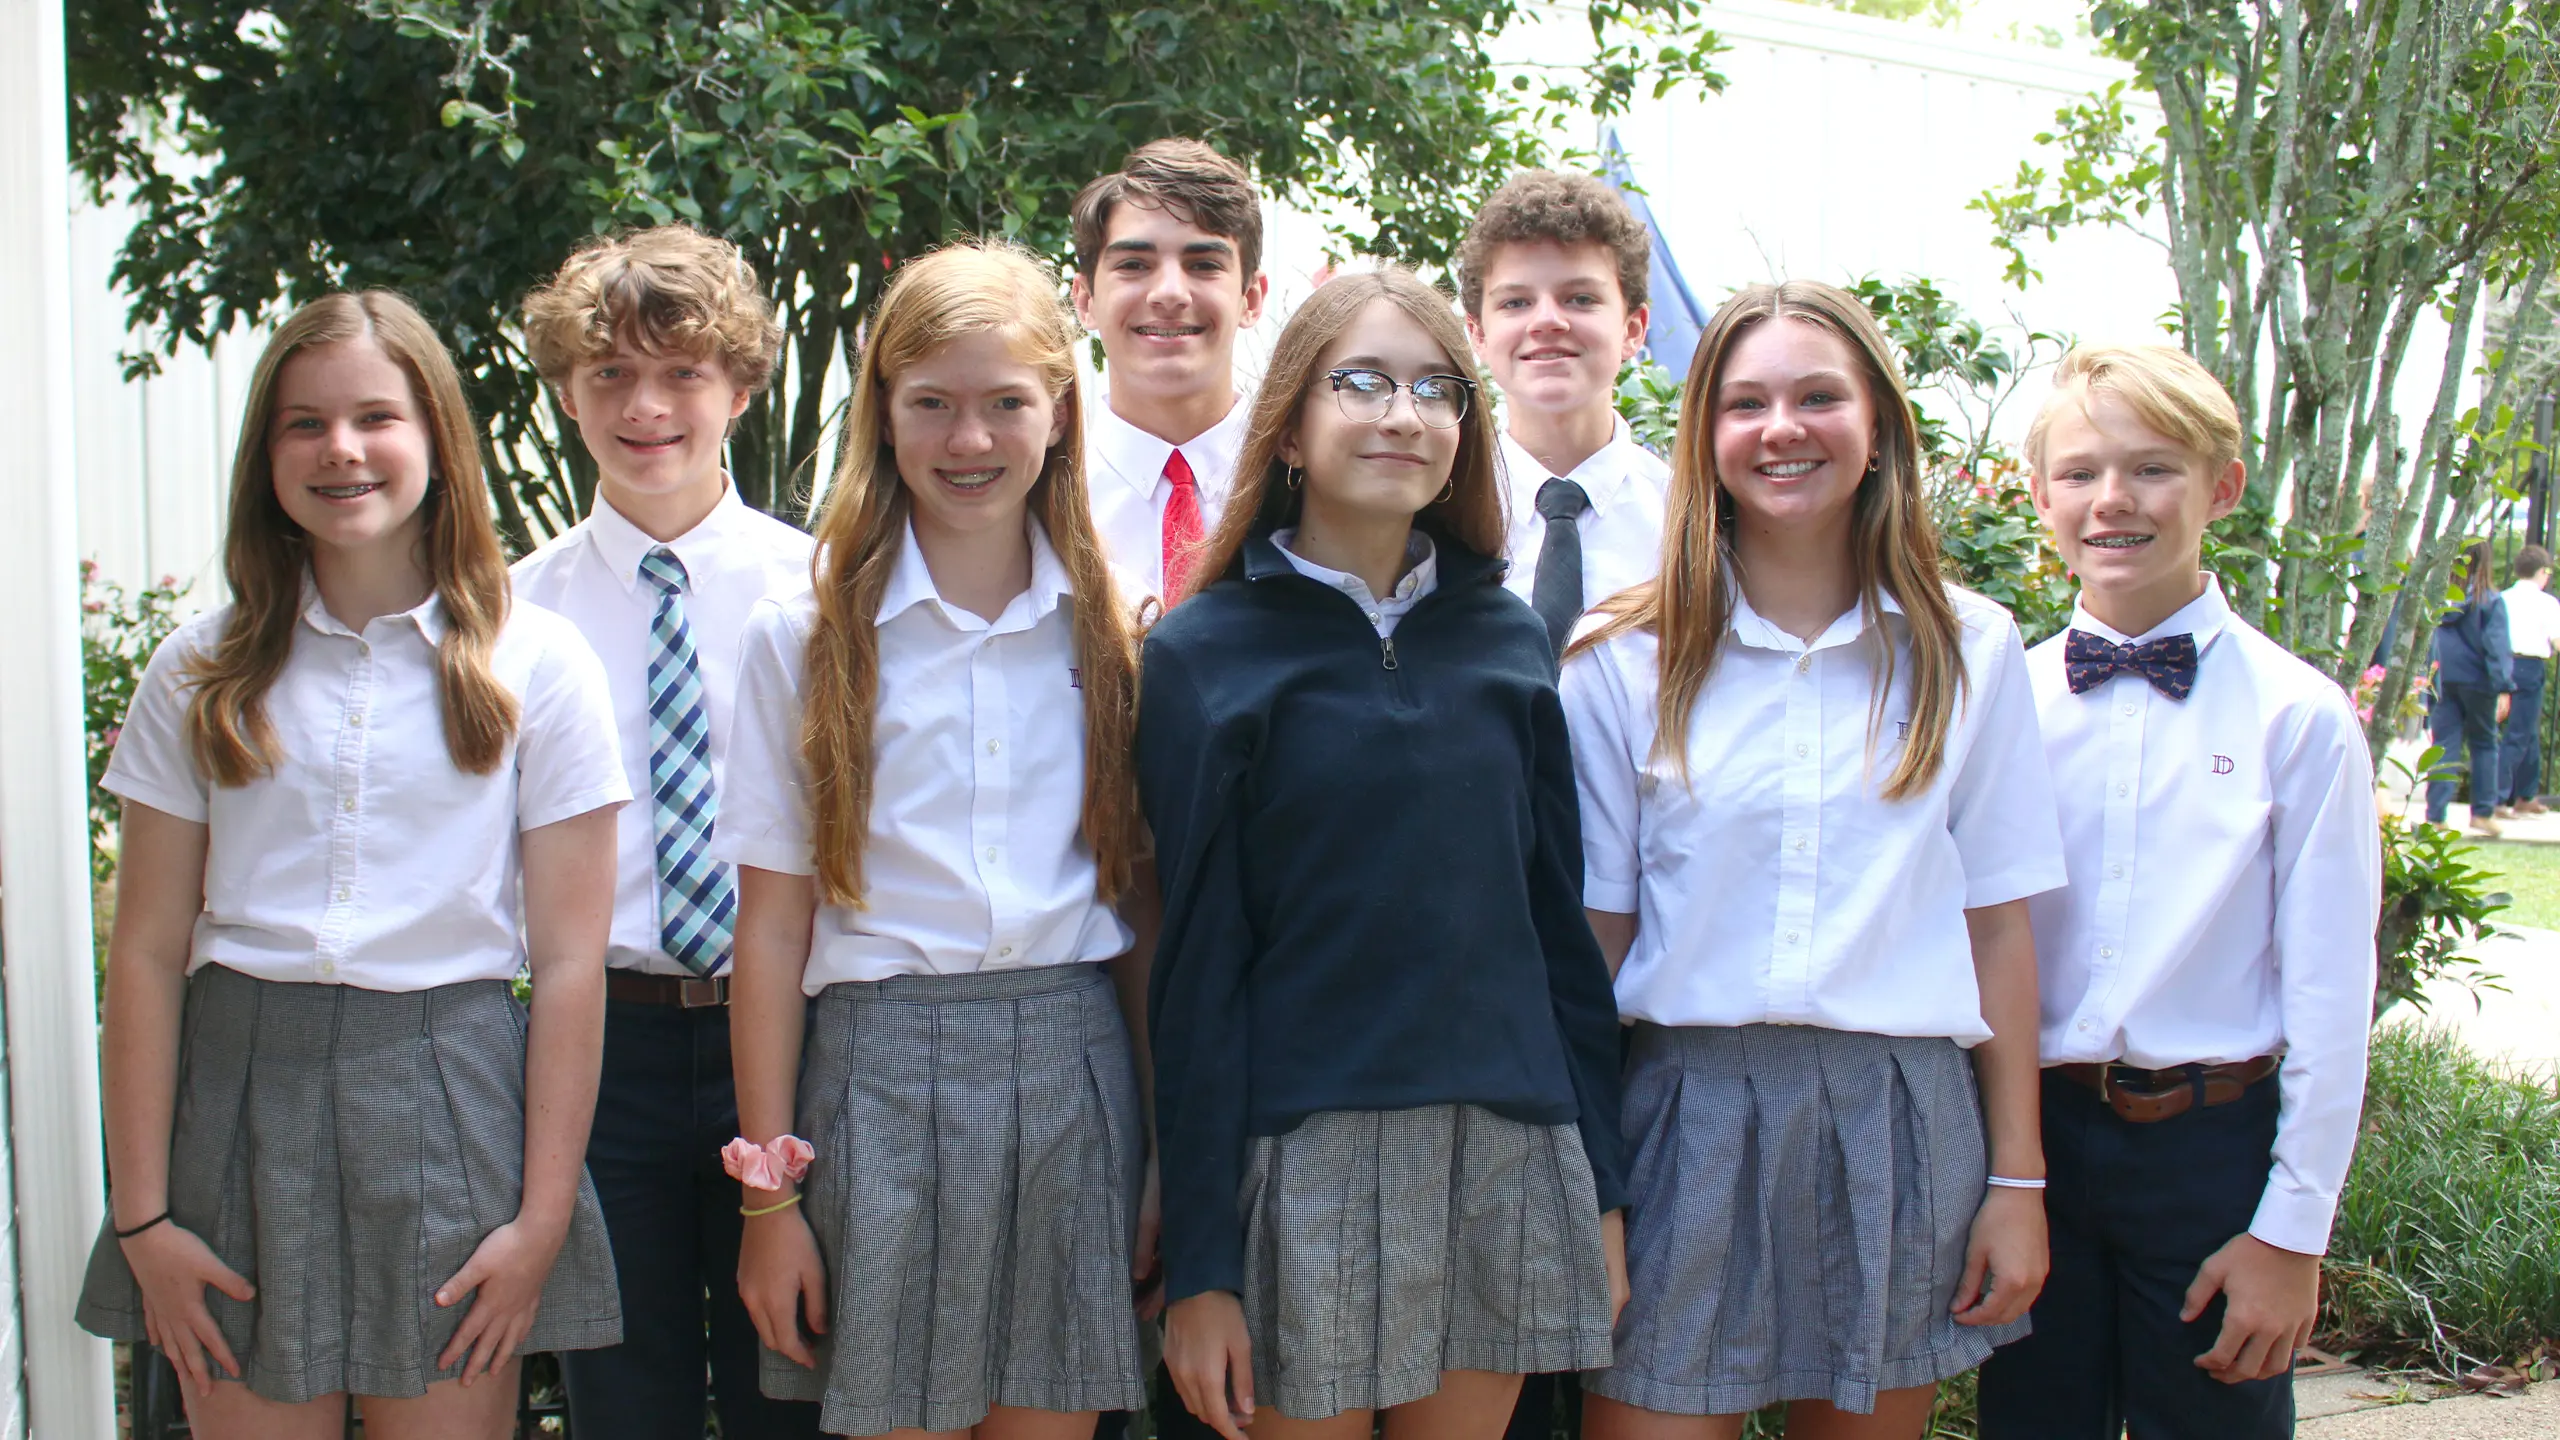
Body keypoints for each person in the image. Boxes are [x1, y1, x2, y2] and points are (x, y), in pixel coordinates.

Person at [75, 291, 628, 1440]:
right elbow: (143, 951)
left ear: (435, 438)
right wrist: (143, 1220)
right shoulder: (200, 670)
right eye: (302, 424)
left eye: (377, 416)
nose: (341, 450)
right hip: (238, 1103)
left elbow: (573, 965)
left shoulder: (541, 663)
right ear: (264, 455)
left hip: (448, 1092)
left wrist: (538, 1223)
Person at [1563, 280, 2061, 1440]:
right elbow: (1593, 948)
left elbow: (1998, 929)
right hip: (1678, 1112)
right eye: (1746, 404)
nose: (1781, 428)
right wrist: (1591, 1190)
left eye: (1817, 396)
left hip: (1893, 1116)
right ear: (1707, 436)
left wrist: (2017, 1184)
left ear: (1877, 424)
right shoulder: (1621, 662)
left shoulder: (1970, 649)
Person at [1137, 265, 1626, 1440]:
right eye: (1359, 383)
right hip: (1302, 1153)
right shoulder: (1205, 654)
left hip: (1505, 1144)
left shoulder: (1509, 639)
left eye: (1435, 389)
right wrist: (1202, 1264)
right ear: (1293, 427)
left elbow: (1557, 937)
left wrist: (1601, 1192)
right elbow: (1195, 971)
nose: (1401, 415)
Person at [722, 241, 1152, 1440]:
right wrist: (770, 1200)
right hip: (878, 1077)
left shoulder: (1114, 630)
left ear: (1058, 415)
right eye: (933, 406)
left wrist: (1163, 1149)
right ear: (884, 414)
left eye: (1006, 403)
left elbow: (1139, 909)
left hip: (1072, 1071)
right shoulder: (803, 632)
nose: (970, 441)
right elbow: (772, 922)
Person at [1976, 344, 2381, 1439]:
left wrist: (2291, 1236)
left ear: (2221, 487)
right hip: (2034, 1148)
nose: (2112, 500)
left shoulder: (2296, 718)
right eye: (2079, 472)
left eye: (2152, 469)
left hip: (2211, 1150)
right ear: (2041, 495)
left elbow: (2333, 999)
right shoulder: (1999, 703)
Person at [510, 224, 823, 1440]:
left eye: (682, 373)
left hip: (788, 1037)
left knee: (787, 1392)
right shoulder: (511, 612)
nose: (645, 407)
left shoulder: (824, 589)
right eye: (609, 376)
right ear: (568, 393)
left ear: (739, 386)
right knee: (618, 1402)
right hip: (604, 1053)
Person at [1458, 169, 1670, 662]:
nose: (1547, 321)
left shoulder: (1690, 525)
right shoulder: (1438, 514)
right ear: (1478, 335)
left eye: (1580, 299)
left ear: (1633, 329)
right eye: (1516, 302)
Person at [1071, 138, 1271, 604]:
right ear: (1085, 300)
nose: (1168, 293)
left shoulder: (1304, 489)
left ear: (1251, 298)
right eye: (1134, 265)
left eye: (1203, 265)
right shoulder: (1040, 499)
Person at [2424, 539, 2512, 834]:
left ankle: (2435, 815)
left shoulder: (2442, 600)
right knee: (2484, 744)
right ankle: (2483, 812)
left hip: (2445, 678)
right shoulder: (2489, 601)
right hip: (2480, 681)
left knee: (2444, 744)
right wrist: (2503, 685)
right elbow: (2496, 646)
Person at [2497, 544, 2558, 816]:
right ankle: (2497, 797)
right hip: (2530, 666)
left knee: (2526, 730)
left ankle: (2526, 793)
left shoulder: (2502, 598)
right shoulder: (2547, 603)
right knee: (2520, 733)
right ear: (2542, 572)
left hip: (2503, 663)